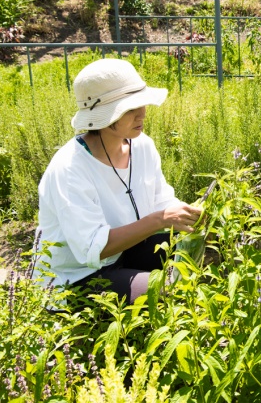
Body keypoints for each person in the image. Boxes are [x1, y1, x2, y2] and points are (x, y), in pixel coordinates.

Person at [33, 59, 202, 304]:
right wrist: (159, 220)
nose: (142, 113)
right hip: (79, 278)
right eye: (130, 108)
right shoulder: (70, 169)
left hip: (126, 252)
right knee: (167, 292)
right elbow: (94, 250)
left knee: (198, 247)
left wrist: (190, 214)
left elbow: (161, 200)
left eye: (141, 104)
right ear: (104, 116)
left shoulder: (142, 145)